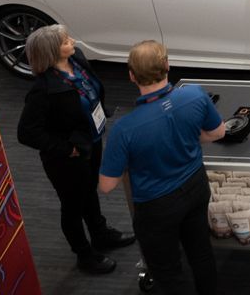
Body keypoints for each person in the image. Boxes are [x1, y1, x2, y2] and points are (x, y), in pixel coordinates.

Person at [97, 39, 224, 295]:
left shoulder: (124, 129)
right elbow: (218, 132)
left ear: (132, 76)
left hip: (157, 207)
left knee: (168, 272)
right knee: (201, 254)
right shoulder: (195, 94)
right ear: (167, 65)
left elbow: (107, 185)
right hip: (196, 187)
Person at [17, 25, 134, 275]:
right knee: (72, 205)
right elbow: (26, 132)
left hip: (90, 140)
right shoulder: (42, 90)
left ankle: (100, 233)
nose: (71, 40)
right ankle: (84, 254)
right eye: (64, 40)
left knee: (88, 191)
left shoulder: (76, 58)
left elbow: (92, 88)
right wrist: (65, 149)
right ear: (51, 52)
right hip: (66, 158)